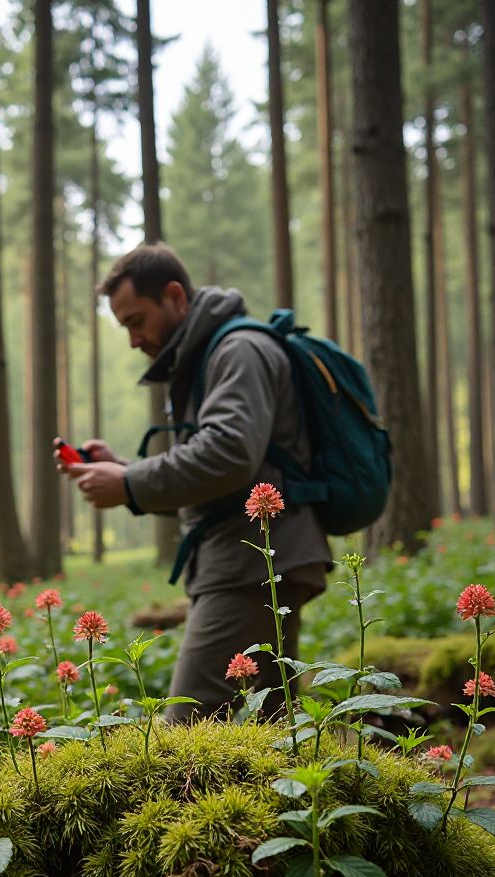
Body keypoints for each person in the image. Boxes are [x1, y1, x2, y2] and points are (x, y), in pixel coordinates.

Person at [55, 242, 332, 722]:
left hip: (253, 561)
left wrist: (131, 482)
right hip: (250, 557)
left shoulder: (237, 350)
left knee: (187, 729)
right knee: (266, 726)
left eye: (137, 321)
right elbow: (218, 481)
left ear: (175, 296)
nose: (133, 340)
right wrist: (125, 471)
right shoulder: (211, 356)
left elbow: (229, 455)